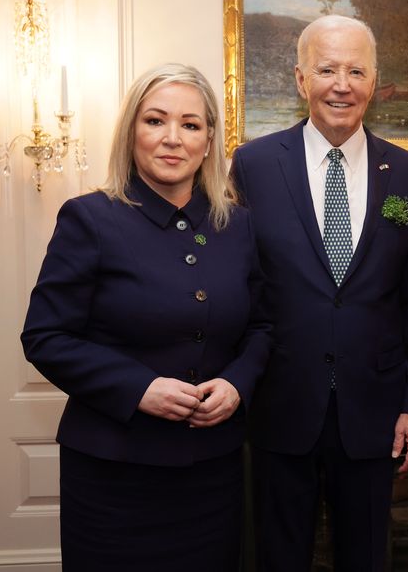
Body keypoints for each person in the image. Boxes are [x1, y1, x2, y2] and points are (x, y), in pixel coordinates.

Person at [21, 63, 269, 571]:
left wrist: (237, 384)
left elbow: (263, 327)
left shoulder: (238, 225)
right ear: (131, 131)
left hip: (212, 471)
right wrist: (140, 388)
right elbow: (46, 337)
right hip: (113, 473)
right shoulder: (89, 218)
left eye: (191, 124)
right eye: (155, 121)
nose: (172, 139)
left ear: (209, 139)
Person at [231, 14, 408, 571]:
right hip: (280, 405)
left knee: (366, 559)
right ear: (302, 80)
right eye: (327, 69)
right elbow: (241, 289)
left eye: (356, 70)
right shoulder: (252, 165)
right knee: (277, 558)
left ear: (375, 82)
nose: (341, 84)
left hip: (374, 413)